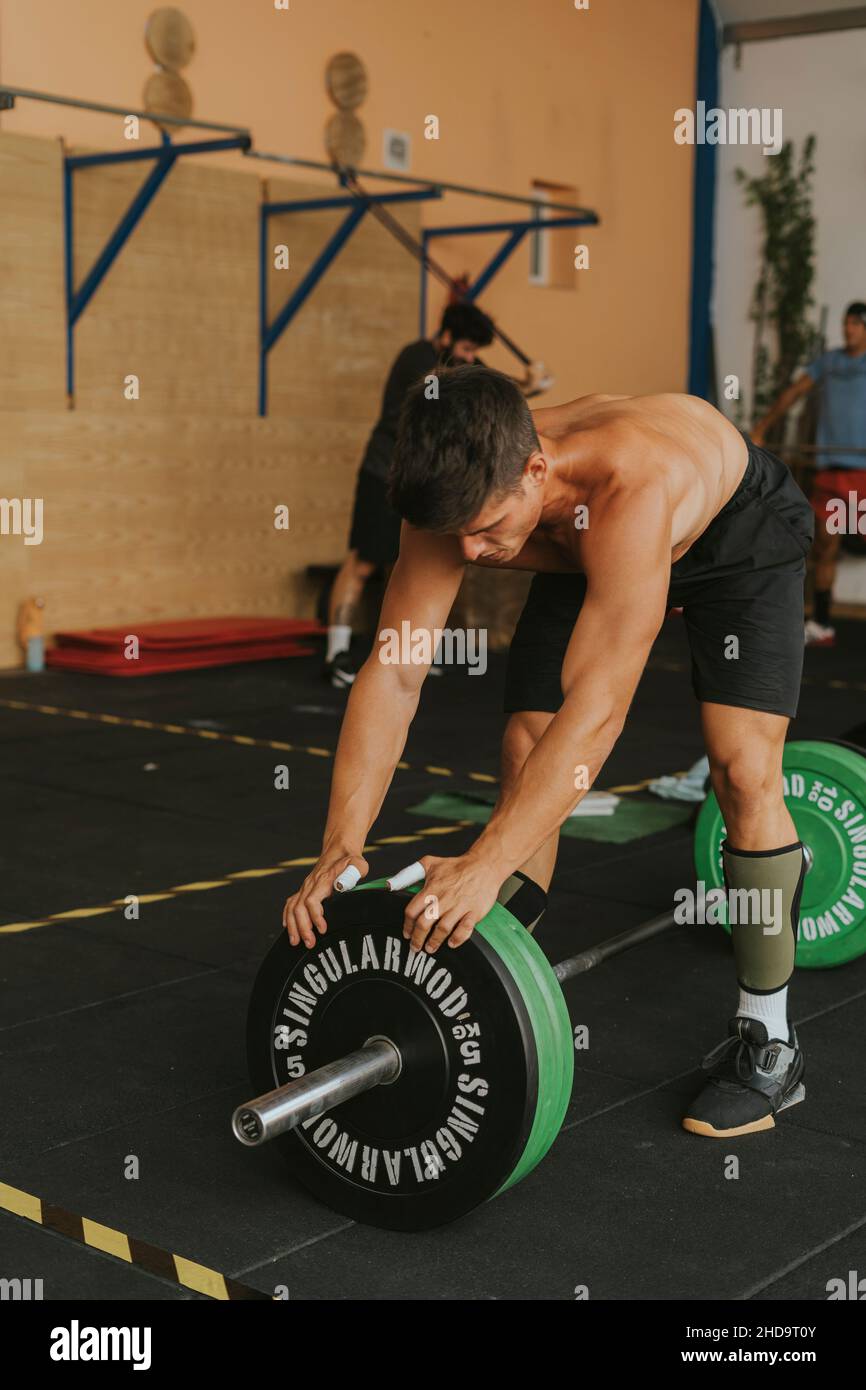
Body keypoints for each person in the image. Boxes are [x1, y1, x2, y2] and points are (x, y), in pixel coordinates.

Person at [286, 369, 814, 1139]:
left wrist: (485, 859)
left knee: (743, 770)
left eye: (487, 527)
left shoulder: (630, 483)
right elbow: (395, 671)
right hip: (576, 541)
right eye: (457, 533)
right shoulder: (458, 495)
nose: (471, 551)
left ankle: (770, 1039)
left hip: (735, 530)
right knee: (525, 740)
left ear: (536, 472)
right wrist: (341, 845)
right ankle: (497, 961)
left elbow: (598, 711)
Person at [323, 303, 550, 687]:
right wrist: (521, 384)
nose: (469, 356)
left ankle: (405, 652)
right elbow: (460, 394)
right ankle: (337, 653)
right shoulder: (419, 359)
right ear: (446, 337)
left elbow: (489, 391)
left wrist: (529, 386)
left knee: (406, 565)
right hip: (385, 472)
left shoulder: (458, 364)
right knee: (363, 562)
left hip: (424, 478)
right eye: (465, 348)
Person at [752, 300, 866, 646]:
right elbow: (795, 392)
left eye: (855, 324)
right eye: (845, 323)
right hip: (830, 471)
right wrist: (763, 427)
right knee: (826, 546)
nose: (847, 329)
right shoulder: (828, 363)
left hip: (863, 472)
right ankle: (822, 624)